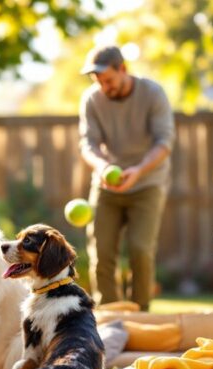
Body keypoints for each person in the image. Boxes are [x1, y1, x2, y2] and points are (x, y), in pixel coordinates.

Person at [78, 46, 175, 311]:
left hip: (148, 182)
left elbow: (164, 143)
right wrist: (102, 166)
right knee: (102, 253)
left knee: (140, 251)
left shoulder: (152, 94)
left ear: (123, 69)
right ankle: (109, 317)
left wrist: (139, 170)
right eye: (98, 81)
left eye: (108, 80)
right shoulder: (92, 100)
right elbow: (88, 144)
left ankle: (140, 313)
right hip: (107, 185)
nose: (103, 86)